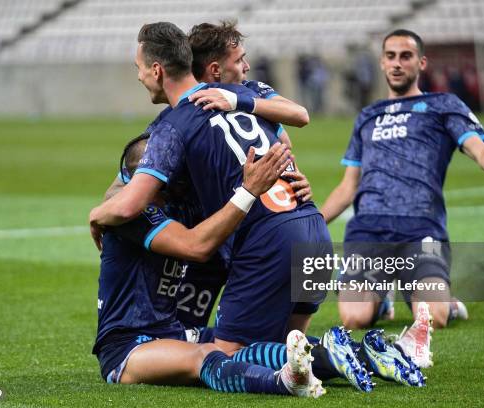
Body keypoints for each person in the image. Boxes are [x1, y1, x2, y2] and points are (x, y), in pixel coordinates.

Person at [89, 22, 331, 359]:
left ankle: (348, 351)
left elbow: (129, 197)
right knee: (289, 353)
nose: (246, 66)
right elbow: (287, 136)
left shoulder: (175, 123)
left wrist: (98, 214)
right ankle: (372, 355)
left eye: (140, 69)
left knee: (223, 358)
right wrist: (292, 175)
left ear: (157, 70)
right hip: (313, 227)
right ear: (215, 69)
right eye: (240, 59)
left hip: (265, 241)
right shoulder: (250, 99)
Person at [320, 29, 484, 368]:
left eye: (405, 56)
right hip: (369, 231)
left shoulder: (442, 104)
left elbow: (472, 143)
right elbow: (348, 187)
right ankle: (382, 301)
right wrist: (313, 224)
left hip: (421, 229)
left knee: (433, 316)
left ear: (420, 62)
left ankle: (446, 303)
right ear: (381, 62)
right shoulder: (368, 116)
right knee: (353, 319)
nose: (397, 63)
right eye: (390, 56)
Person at [94, 134, 326, 397]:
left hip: (174, 332)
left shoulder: (180, 203)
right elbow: (197, 246)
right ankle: (281, 382)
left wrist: (287, 184)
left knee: (248, 341)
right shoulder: (135, 214)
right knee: (208, 353)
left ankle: (344, 354)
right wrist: (250, 192)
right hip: (126, 346)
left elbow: (288, 128)